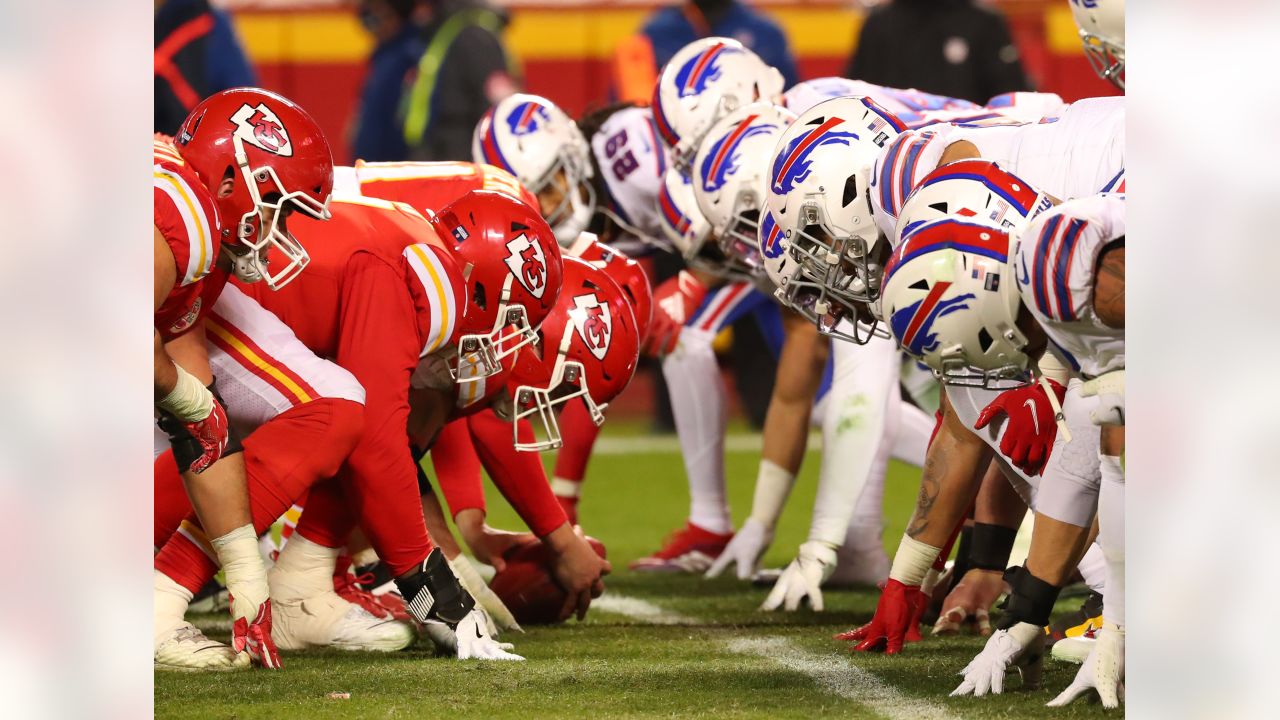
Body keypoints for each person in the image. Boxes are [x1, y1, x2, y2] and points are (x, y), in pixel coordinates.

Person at [153, 87, 335, 669]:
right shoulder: (181, 210)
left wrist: (245, 569)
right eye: (277, 206)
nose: (278, 228)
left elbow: (202, 423)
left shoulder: (196, 239)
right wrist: (187, 399)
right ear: (232, 180)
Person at [845, 0, 1030, 105]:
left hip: (968, 154)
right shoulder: (878, 24)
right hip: (891, 153)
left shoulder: (983, 22)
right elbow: (856, 97)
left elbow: (1013, 98)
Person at [402, 0, 518, 161]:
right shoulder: (449, 29)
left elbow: (497, 111)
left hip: (460, 163)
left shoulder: (474, 35)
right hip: (448, 160)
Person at [154, 0, 258, 133]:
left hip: (171, 136)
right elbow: (244, 94)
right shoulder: (210, 19)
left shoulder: (165, 20)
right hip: (202, 134)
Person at [351, 0, 429, 162]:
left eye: (376, 10)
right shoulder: (383, 56)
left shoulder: (412, 57)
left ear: (395, 15)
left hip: (394, 170)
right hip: (372, 168)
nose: (370, 18)